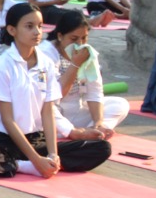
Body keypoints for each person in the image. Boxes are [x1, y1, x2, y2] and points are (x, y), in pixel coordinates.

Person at [0, 2, 113, 178]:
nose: (37, 32)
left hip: (36, 138)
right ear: (12, 30)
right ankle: (24, 165)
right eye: (29, 26)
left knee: (101, 148)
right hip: (4, 139)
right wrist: (36, 160)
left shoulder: (46, 64)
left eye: (40, 26)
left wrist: (53, 154)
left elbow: (48, 112)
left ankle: (45, 163)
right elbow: (7, 119)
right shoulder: (2, 66)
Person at [39, 9, 128, 140]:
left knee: (120, 104)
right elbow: (56, 95)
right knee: (46, 112)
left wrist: (98, 122)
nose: (79, 44)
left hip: (76, 111)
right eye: (74, 39)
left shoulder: (88, 52)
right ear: (60, 36)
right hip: (52, 113)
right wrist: (75, 65)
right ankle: (73, 132)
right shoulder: (45, 53)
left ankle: (96, 131)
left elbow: (95, 91)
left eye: (84, 38)